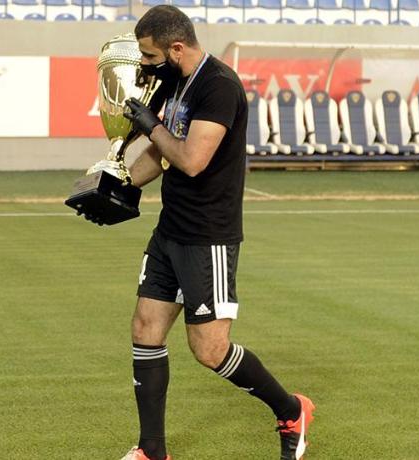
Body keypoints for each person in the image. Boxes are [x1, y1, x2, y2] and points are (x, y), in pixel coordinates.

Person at [120, 6, 314, 460]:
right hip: (170, 230)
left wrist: (152, 126)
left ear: (176, 48)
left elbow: (190, 159)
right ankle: (152, 450)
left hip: (208, 237)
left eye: (150, 56)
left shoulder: (219, 86)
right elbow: (161, 153)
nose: (146, 64)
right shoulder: (175, 82)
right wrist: (118, 183)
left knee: (209, 350)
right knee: (146, 328)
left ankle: (291, 411)